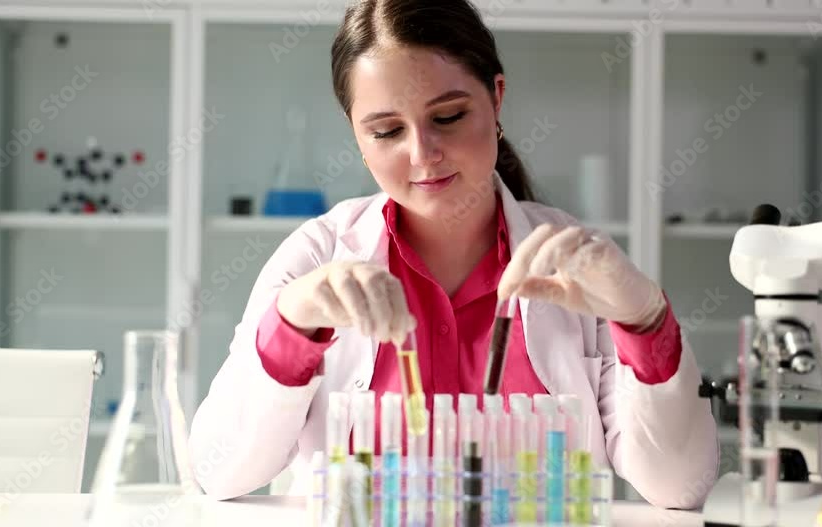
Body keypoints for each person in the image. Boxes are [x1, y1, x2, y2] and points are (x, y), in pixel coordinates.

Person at [189, 0, 718, 508]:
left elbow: (680, 486)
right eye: (387, 130)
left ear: (497, 97)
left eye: (448, 117)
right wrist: (293, 324)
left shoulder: (576, 263)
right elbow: (218, 471)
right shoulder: (316, 255)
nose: (423, 154)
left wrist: (645, 319)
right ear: (356, 132)